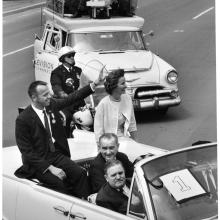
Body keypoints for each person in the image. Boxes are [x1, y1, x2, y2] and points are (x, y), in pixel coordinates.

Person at [15, 70, 104, 199]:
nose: (49, 96)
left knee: (80, 173)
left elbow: (72, 97)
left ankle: (86, 206)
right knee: (59, 184)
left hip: (56, 155)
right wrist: (50, 168)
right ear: (34, 98)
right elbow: (27, 152)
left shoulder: (51, 105)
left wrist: (94, 84)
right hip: (38, 162)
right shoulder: (23, 119)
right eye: (45, 95)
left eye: (49, 93)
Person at [94, 69, 137, 142]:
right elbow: (98, 132)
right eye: (122, 83)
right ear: (114, 86)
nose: (126, 86)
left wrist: (136, 143)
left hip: (125, 140)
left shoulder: (127, 99)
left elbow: (132, 124)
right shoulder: (103, 104)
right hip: (108, 144)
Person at [50, 46, 85, 136]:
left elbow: (84, 83)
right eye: (69, 56)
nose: (72, 57)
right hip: (65, 103)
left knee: (92, 114)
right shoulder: (57, 73)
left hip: (79, 101)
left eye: (73, 55)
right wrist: (62, 94)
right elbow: (56, 87)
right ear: (63, 59)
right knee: (67, 117)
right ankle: (66, 139)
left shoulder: (78, 70)